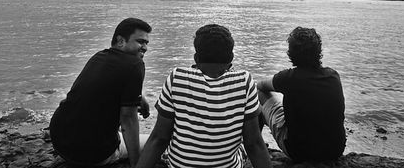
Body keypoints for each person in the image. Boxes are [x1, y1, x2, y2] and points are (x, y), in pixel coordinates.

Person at [136, 24, 271, 168]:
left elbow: (159, 138)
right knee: (242, 147)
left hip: (180, 165)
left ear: (196, 57)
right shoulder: (244, 81)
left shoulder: (177, 77)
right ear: (231, 57)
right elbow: (254, 144)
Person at [50, 18, 152, 166]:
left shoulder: (99, 57)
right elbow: (128, 120)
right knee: (156, 141)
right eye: (140, 42)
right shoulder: (135, 65)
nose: (145, 48)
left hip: (60, 141)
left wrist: (139, 98)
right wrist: (136, 163)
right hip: (93, 155)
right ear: (121, 41)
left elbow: (97, 90)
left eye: (146, 43)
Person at [257, 27, 346, 163]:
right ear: (319, 51)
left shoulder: (288, 78)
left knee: (259, 94)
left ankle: (258, 148)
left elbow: (261, 86)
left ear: (290, 53)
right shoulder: (333, 76)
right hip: (335, 151)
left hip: (299, 152)